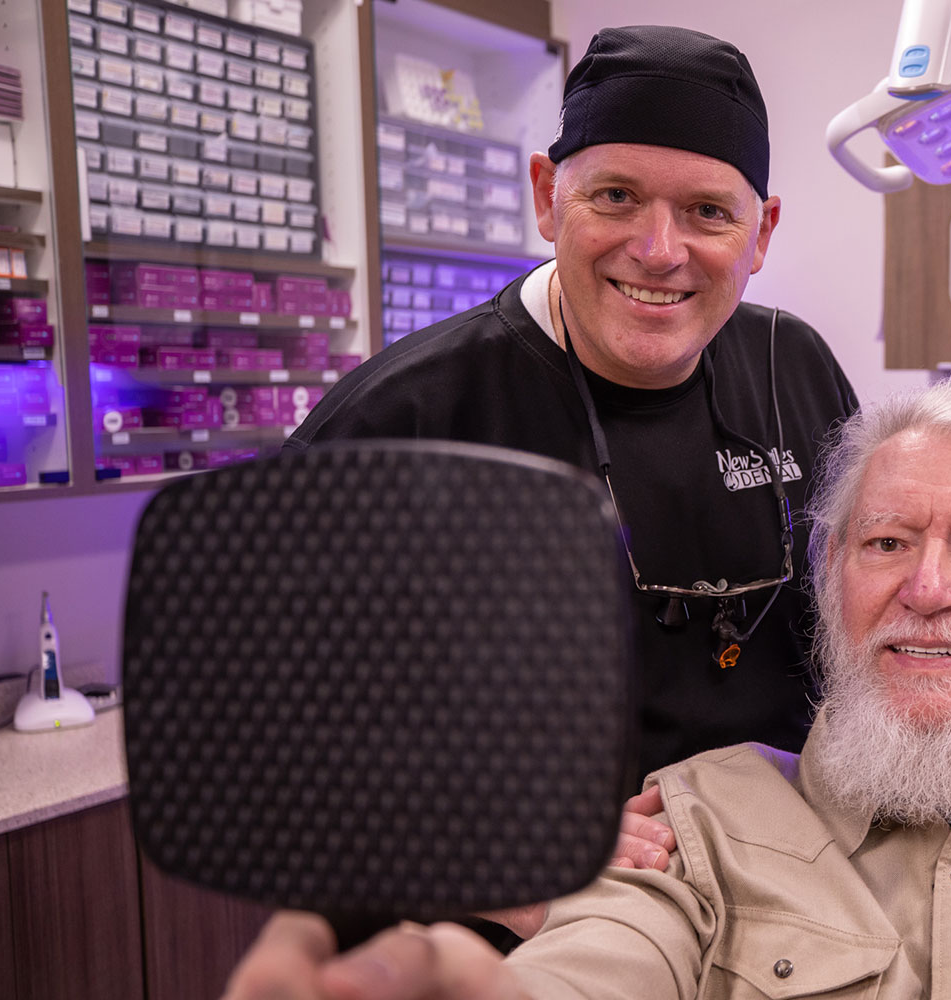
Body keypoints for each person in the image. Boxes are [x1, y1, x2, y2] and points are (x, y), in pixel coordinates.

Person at [223, 380, 951, 1000]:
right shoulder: (695, 827)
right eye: (886, 541)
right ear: (827, 582)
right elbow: (603, 963)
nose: (928, 587)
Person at [289, 25, 859, 798]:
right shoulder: (402, 420)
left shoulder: (797, 371)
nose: (659, 250)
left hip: (773, 872)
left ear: (761, 233)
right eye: (617, 197)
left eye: (707, 212)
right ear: (546, 199)